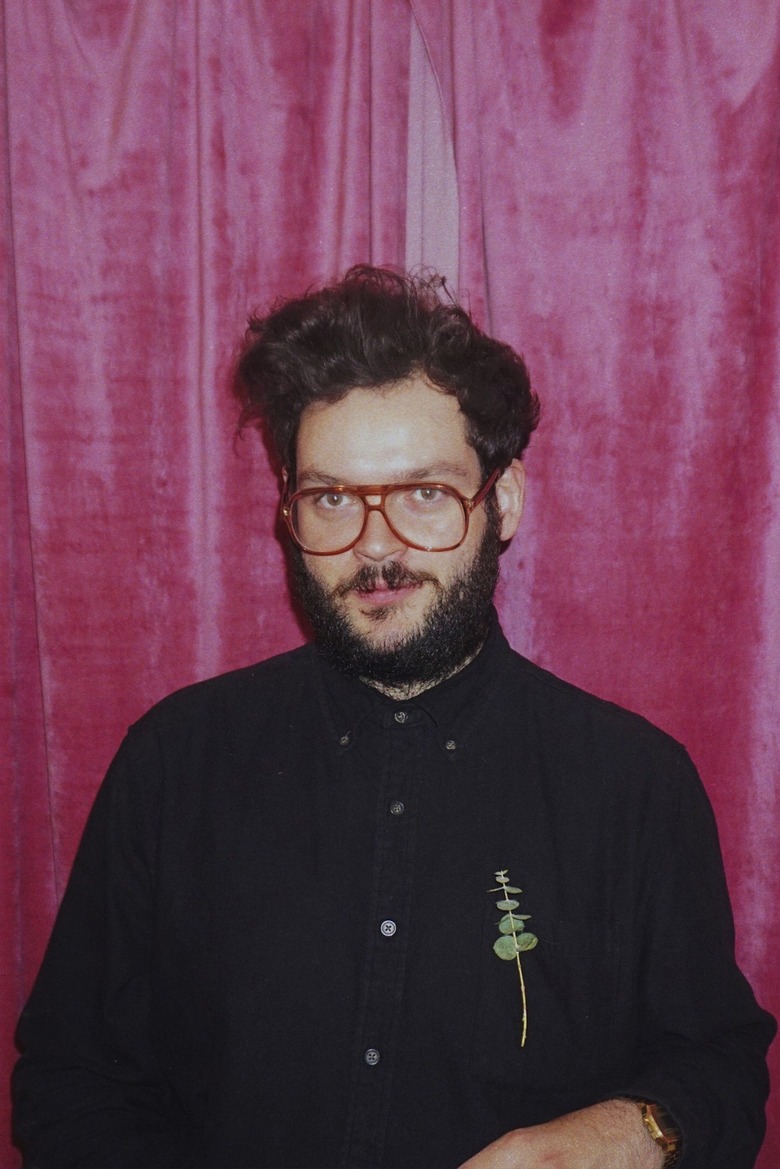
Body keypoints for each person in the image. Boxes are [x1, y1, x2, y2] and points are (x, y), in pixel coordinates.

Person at [12, 266, 775, 1169]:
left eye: (424, 494)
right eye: (333, 497)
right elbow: (69, 1078)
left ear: (504, 503)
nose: (376, 545)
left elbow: (720, 1065)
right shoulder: (173, 764)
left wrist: (638, 1128)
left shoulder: (635, 785)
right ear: (288, 514)